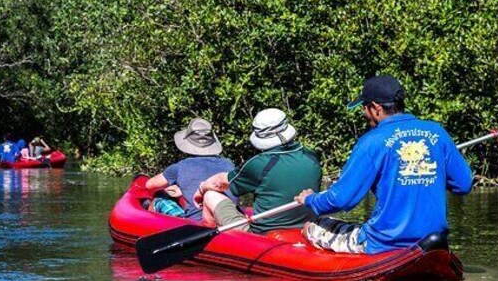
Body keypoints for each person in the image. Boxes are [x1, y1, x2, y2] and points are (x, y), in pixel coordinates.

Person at [294, 75, 473, 254]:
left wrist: (310, 199)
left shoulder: (371, 142)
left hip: (385, 243)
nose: (364, 113)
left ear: (376, 108)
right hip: (434, 238)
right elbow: (464, 184)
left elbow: (342, 199)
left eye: (364, 107)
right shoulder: (437, 132)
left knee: (313, 226)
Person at [193, 109, 322, 233]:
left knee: (210, 195)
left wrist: (201, 189)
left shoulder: (260, 163)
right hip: (306, 228)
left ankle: (209, 245)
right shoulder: (312, 155)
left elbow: (220, 182)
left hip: (262, 235)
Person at [145, 118, 235, 220]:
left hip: (196, 224)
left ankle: (146, 228)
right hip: (227, 221)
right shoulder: (230, 165)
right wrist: (182, 189)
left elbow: (150, 185)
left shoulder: (179, 167)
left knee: (159, 198)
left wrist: (176, 187)